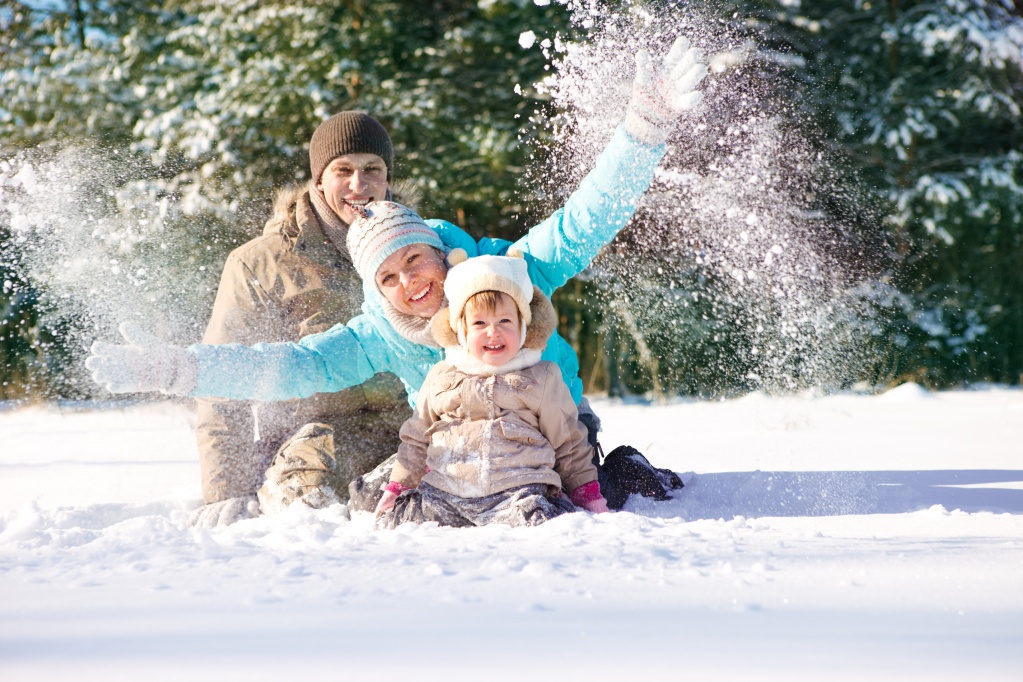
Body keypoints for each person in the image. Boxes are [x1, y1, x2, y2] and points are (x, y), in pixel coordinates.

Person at [87, 35, 707, 517]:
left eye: (416, 261)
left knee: (558, 499)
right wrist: (174, 369)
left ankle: (622, 469)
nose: (410, 283)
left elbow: (585, 220)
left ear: (439, 253)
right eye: (388, 277)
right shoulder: (378, 331)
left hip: (551, 433)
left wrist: (642, 133)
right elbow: (286, 365)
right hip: (459, 450)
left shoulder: (505, 272)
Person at [188, 111, 418, 528]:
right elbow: (224, 381)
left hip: (411, 430)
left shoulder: (419, 247)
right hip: (312, 442)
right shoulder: (260, 264)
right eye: (342, 170)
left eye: (373, 170)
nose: (358, 185)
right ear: (318, 179)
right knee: (310, 511)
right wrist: (226, 491)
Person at [376, 251, 610, 528]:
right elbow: (415, 439)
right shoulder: (441, 376)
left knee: (545, 523)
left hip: (518, 491)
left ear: (523, 327)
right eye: (479, 323)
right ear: (461, 330)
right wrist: (396, 487)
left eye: (505, 322)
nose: (493, 332)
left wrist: (587, 492)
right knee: (398, 521)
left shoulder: (541, 377)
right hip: (445, 492)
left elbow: (567, 443)